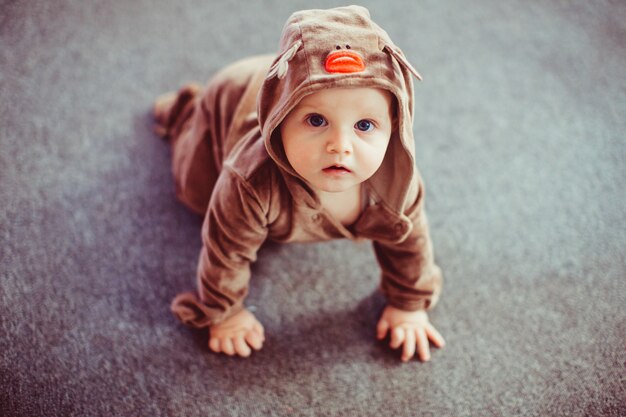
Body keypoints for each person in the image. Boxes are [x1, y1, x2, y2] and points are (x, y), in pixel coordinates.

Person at [153, 5, 445, 362]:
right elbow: (224, 251)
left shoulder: (396, 183)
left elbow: (410, 242)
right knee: (194, 189)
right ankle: (185, 112)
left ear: (396, 127)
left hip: (286, 76)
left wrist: (409, 304)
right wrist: (224, 313)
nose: (340, 145)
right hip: (233, 95)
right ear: (279, 122)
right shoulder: (249, 181)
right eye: (317, 120)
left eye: (365, 125)